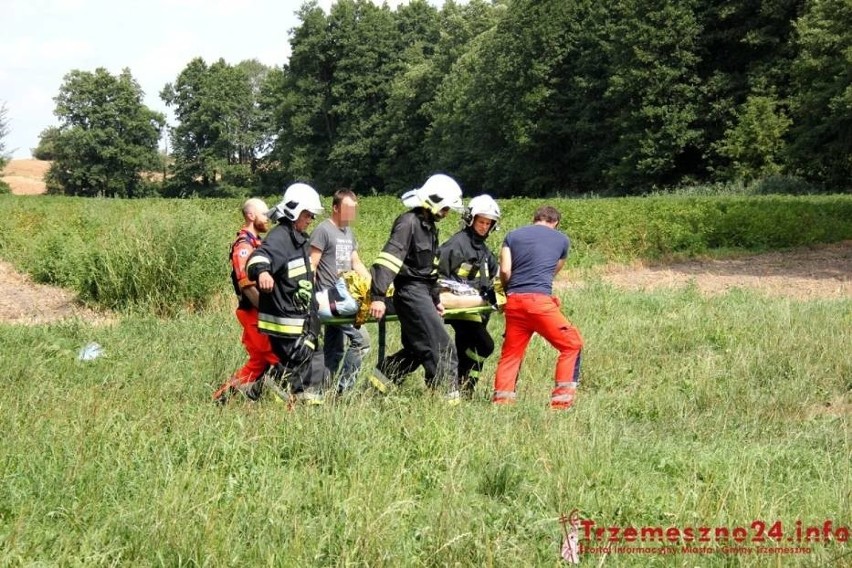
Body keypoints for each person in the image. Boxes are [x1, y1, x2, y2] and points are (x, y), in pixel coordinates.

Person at [368, 173, 465, 403]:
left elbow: (429, 270)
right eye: (446, 208)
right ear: (434, 200)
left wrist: (435, 298)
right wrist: (378, 295)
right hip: (410, 293)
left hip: (422, 293)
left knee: (416, 348)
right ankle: (448, 403)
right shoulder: (408, 223)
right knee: (443, 348)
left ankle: (378, 383)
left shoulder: (429, 227)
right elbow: (389, 259)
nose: (447, 213)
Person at [492, 205, 584, 410]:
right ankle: (561, 403)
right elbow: (553, 270)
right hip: (540, 303)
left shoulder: (512, 236)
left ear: (535, 219)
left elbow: (505, 270)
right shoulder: (561, 240)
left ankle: (502, 403)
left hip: (514, 302)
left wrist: (508, 293)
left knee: (511, 354)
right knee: (572, 344)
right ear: (555, 223)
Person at [246, 183, 325, 404]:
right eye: (308, 214)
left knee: (304, 361)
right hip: (285, 320)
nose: (310, 220)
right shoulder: (280, 237)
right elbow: (257, 258)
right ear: (294, 211)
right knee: (304, 358)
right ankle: (256, 394)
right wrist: (262, 272)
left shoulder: (297, 239)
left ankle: (299, 400)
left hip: (300, 318)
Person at [213, 198, 279, 404]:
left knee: (256, 365)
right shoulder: (244, 246)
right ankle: (280, 400)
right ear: (251, 215)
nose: (268, 219)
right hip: (253, 313)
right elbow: (247, 285)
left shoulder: (257, 242)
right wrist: (268, 311)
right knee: (276, 358)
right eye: (264, 214)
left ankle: (223, 398)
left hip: (257, 313)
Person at [437, 194, 501, 398]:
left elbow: (494, 277)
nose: (484, 226)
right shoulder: (457, 244)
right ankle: (463, 385)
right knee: (484, 345)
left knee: (466, 348)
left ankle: (464, 388)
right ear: (470, 219)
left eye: (488, 223)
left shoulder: (484, 250)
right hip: (457, 307)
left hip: (475, 309)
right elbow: (436, 275)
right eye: (481, 221)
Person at [309, 189, 372, 394]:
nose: (351, 214)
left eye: (354, 209)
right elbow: (312, 265)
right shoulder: (323, 230)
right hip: (331, 300)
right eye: (347, 209)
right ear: (335, 208)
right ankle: (342, 392)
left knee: (334, 351)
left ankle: (319, 392)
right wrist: (312, 300)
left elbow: (355, 262)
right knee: (361, 342)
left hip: (348, 297)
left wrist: (374, 285)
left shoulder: (348, 233)